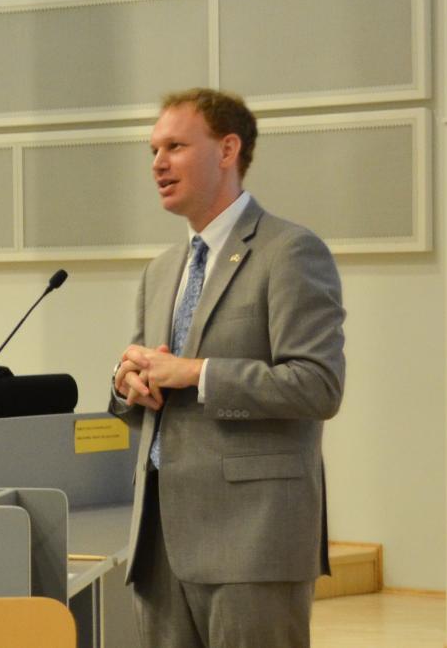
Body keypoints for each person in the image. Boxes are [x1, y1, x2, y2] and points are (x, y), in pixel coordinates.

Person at [110, 89, 345, 646]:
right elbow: (151, 375)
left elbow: (318, 385)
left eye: (175, 146)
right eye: (153, 150)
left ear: (227, 150)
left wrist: (197, 374)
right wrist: (128, 384)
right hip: (160, 540)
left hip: (252, 538)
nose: (158, 164)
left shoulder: (289, 251)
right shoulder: (162, 269)